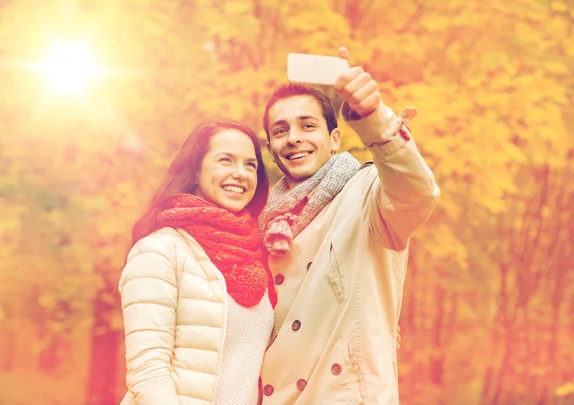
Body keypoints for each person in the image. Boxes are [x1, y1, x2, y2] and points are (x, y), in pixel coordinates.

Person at [257, 47, 441, 404]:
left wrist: (374, 117)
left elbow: (418, 193)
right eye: (281, 131)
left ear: (335, 138)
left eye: (307, 125)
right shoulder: (261, 225)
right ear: (271, 147)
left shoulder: (368, 193)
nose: (293, 137)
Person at [118, 120, 277, 405]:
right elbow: (148, 372)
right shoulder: (160, 250)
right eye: (225, 160)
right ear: (195, 172)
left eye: (250, 165)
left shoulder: (260, 258)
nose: (240, 174)